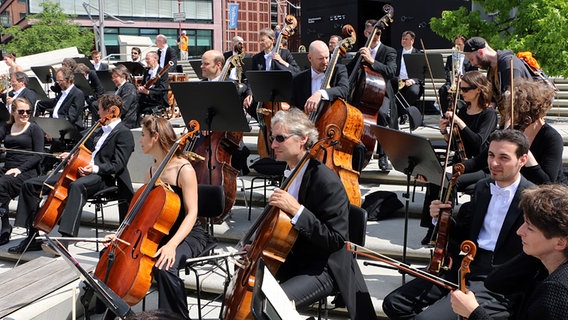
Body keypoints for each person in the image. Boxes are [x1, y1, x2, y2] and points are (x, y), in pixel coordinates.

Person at [383, 129, 534, 320]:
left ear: (522, 159)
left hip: (497, 279)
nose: (494, 163)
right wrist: (442, 219)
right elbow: (464, 234)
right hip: (464, 265)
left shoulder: (532, 197)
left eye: (504, 157)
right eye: (491, 155)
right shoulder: (482, 187)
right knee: (394, 303)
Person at [267, 108, 377, 320]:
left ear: (303, 139)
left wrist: (297, 210)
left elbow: (336, 240)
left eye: (280, 138)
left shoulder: (325, 180)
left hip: (325, 267)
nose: (273, 145)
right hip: (293, 259)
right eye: (273, 138)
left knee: (272, 303)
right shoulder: (290, 172)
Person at [104, 115, 212, 320]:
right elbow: (141, 217)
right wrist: (119, 236)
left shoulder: (184, 169)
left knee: (164, 266)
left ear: (155, 137)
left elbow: (192, 214)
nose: (140, 140)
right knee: (111, 255)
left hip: (187, 234)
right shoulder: (151, 172)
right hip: (159, 233)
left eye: (143, 135)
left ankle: (176, 317)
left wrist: (172, 245)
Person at [8, 94, 135, 254]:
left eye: (100, 108)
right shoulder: (98, 130)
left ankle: (64, 240)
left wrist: (94, 168)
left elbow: (118, 165)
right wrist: (69, 155)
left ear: (112, 111)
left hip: (103, 177)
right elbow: (82, 150)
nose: (97, 111)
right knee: (30, 185)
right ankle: (32, 236)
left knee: (76, 186)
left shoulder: (124, 133)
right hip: (80, 170)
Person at [450, 183, 568, 320]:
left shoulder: (556, 291)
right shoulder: (542, 265)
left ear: (560, 242)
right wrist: (537, 252)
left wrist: (473, 313)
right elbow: (495, 282)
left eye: (530, 228)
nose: (520, 231)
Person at [420, 70, 498, 245]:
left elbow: (478, 143)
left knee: (450, 180)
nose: (461, 93)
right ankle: (432, 226)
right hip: (461, 161)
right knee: (436, 178)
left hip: (480, 166)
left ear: (478, 90)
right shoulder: (463, 109)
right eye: (461, 89)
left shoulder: (489, 114)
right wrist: (444, 131)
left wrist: (460, 122)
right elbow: (458, 144)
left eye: (465, 89)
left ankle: (444, 229)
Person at [462, 78, 564, 185]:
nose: (510, 114)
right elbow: (479, 161)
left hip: (541, 196)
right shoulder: (514, 130)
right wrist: (455, 168)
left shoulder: (551, 138)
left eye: (515, 110)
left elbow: (546, 182)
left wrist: (523, 147)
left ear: (528, 111)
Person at [346, 19, 397, 171]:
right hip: (362, 94)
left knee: (381, 114)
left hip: (382, 94)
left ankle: (383, 155)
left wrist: (372, 61)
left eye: (378, 33)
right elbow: (348, 71)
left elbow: (391, 71)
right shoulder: (361, 51)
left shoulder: (389, 51)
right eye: (372, 33)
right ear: (366, 33)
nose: (375, 36)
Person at [0, 98, 44, 246]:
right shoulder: (6, 128)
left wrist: (19, 169)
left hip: (27, 170)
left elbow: (39, 155)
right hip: (8, 169)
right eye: (21, 111)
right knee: (3, 181)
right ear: (13, 112)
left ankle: (6, 225)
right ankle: (5, 225)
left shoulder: (34, 129)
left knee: (2, 184)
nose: (25, 114)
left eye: (28, 111)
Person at [463, 37, 531, 122]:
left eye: (472, 59)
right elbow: (492, 101)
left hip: (523, 121)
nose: (472, 64)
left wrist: (507, 131)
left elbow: (513, 101)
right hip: (509, 119)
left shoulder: (509, 65)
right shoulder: (492, 69)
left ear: (480, 52)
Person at [291, 40, 349, 113]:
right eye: (320, 58)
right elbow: (294, 107)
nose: (325, 62)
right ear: (309, 58)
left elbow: (344, 90)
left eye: (327, 57)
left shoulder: (338, 70)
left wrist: (321, 93)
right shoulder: (298, 79)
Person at [439, 35, 478, 113]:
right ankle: (446, 114)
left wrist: (463, 80)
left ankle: (465, 112)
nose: (457, 47)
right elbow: (446, 72)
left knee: (466, 90)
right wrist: (451, 81)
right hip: (453, 81)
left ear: (464, 45)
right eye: (456, 44)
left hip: (465, 82)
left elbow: (474, 73)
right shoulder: (450, 58)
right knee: (443, 89)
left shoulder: (470, 58)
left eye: (459, 45)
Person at [394, 31, 421, 120]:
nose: (403, 41)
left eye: (406, 39)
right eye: (403, 39)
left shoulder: (418, 54)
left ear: (412, 41)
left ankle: (403, 113)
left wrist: (412, 80)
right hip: (399, 80)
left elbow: (421, 73)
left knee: (413, 92)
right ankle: (400, 114)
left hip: (411, 81)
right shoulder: (396, 53)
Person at [137, 51, 169, 116]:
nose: (146, 61)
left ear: (155, 59)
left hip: (157, 99)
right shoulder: (147, 72)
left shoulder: (163, 72)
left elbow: (163, 89)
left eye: (148, 59)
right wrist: (141, 88)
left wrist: (149, 92)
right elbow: (144, 85)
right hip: (146, 97)